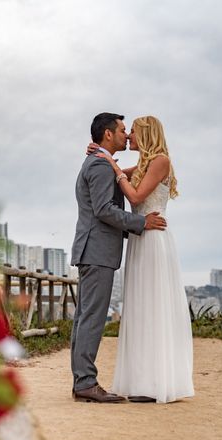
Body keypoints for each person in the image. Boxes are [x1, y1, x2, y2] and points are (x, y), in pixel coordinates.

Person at [94, 115, 195, 403]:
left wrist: (113, 166)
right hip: (140, 239)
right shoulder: (144, 164)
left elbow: (136, 197)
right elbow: (115, 177)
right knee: (140, 307)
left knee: (153, 305)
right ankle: (143, 380)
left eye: (134, 133)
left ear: (147, 134)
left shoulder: (160, 160)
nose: (129, 138)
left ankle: (156, 383)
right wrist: (104, 159)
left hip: (153, 239)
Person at [70, 112, 167, 403]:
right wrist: (141, 223)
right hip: (98, 250)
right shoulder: (100, 165)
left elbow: (127, 178)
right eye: (123, 130)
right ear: (108, 134)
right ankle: (86, 382)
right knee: (91, 319)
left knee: (85, 318)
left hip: (93, 250)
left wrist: (105, 157)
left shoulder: (100, 162)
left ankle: (82, 381)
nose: (127, 135)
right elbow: (103, 210)